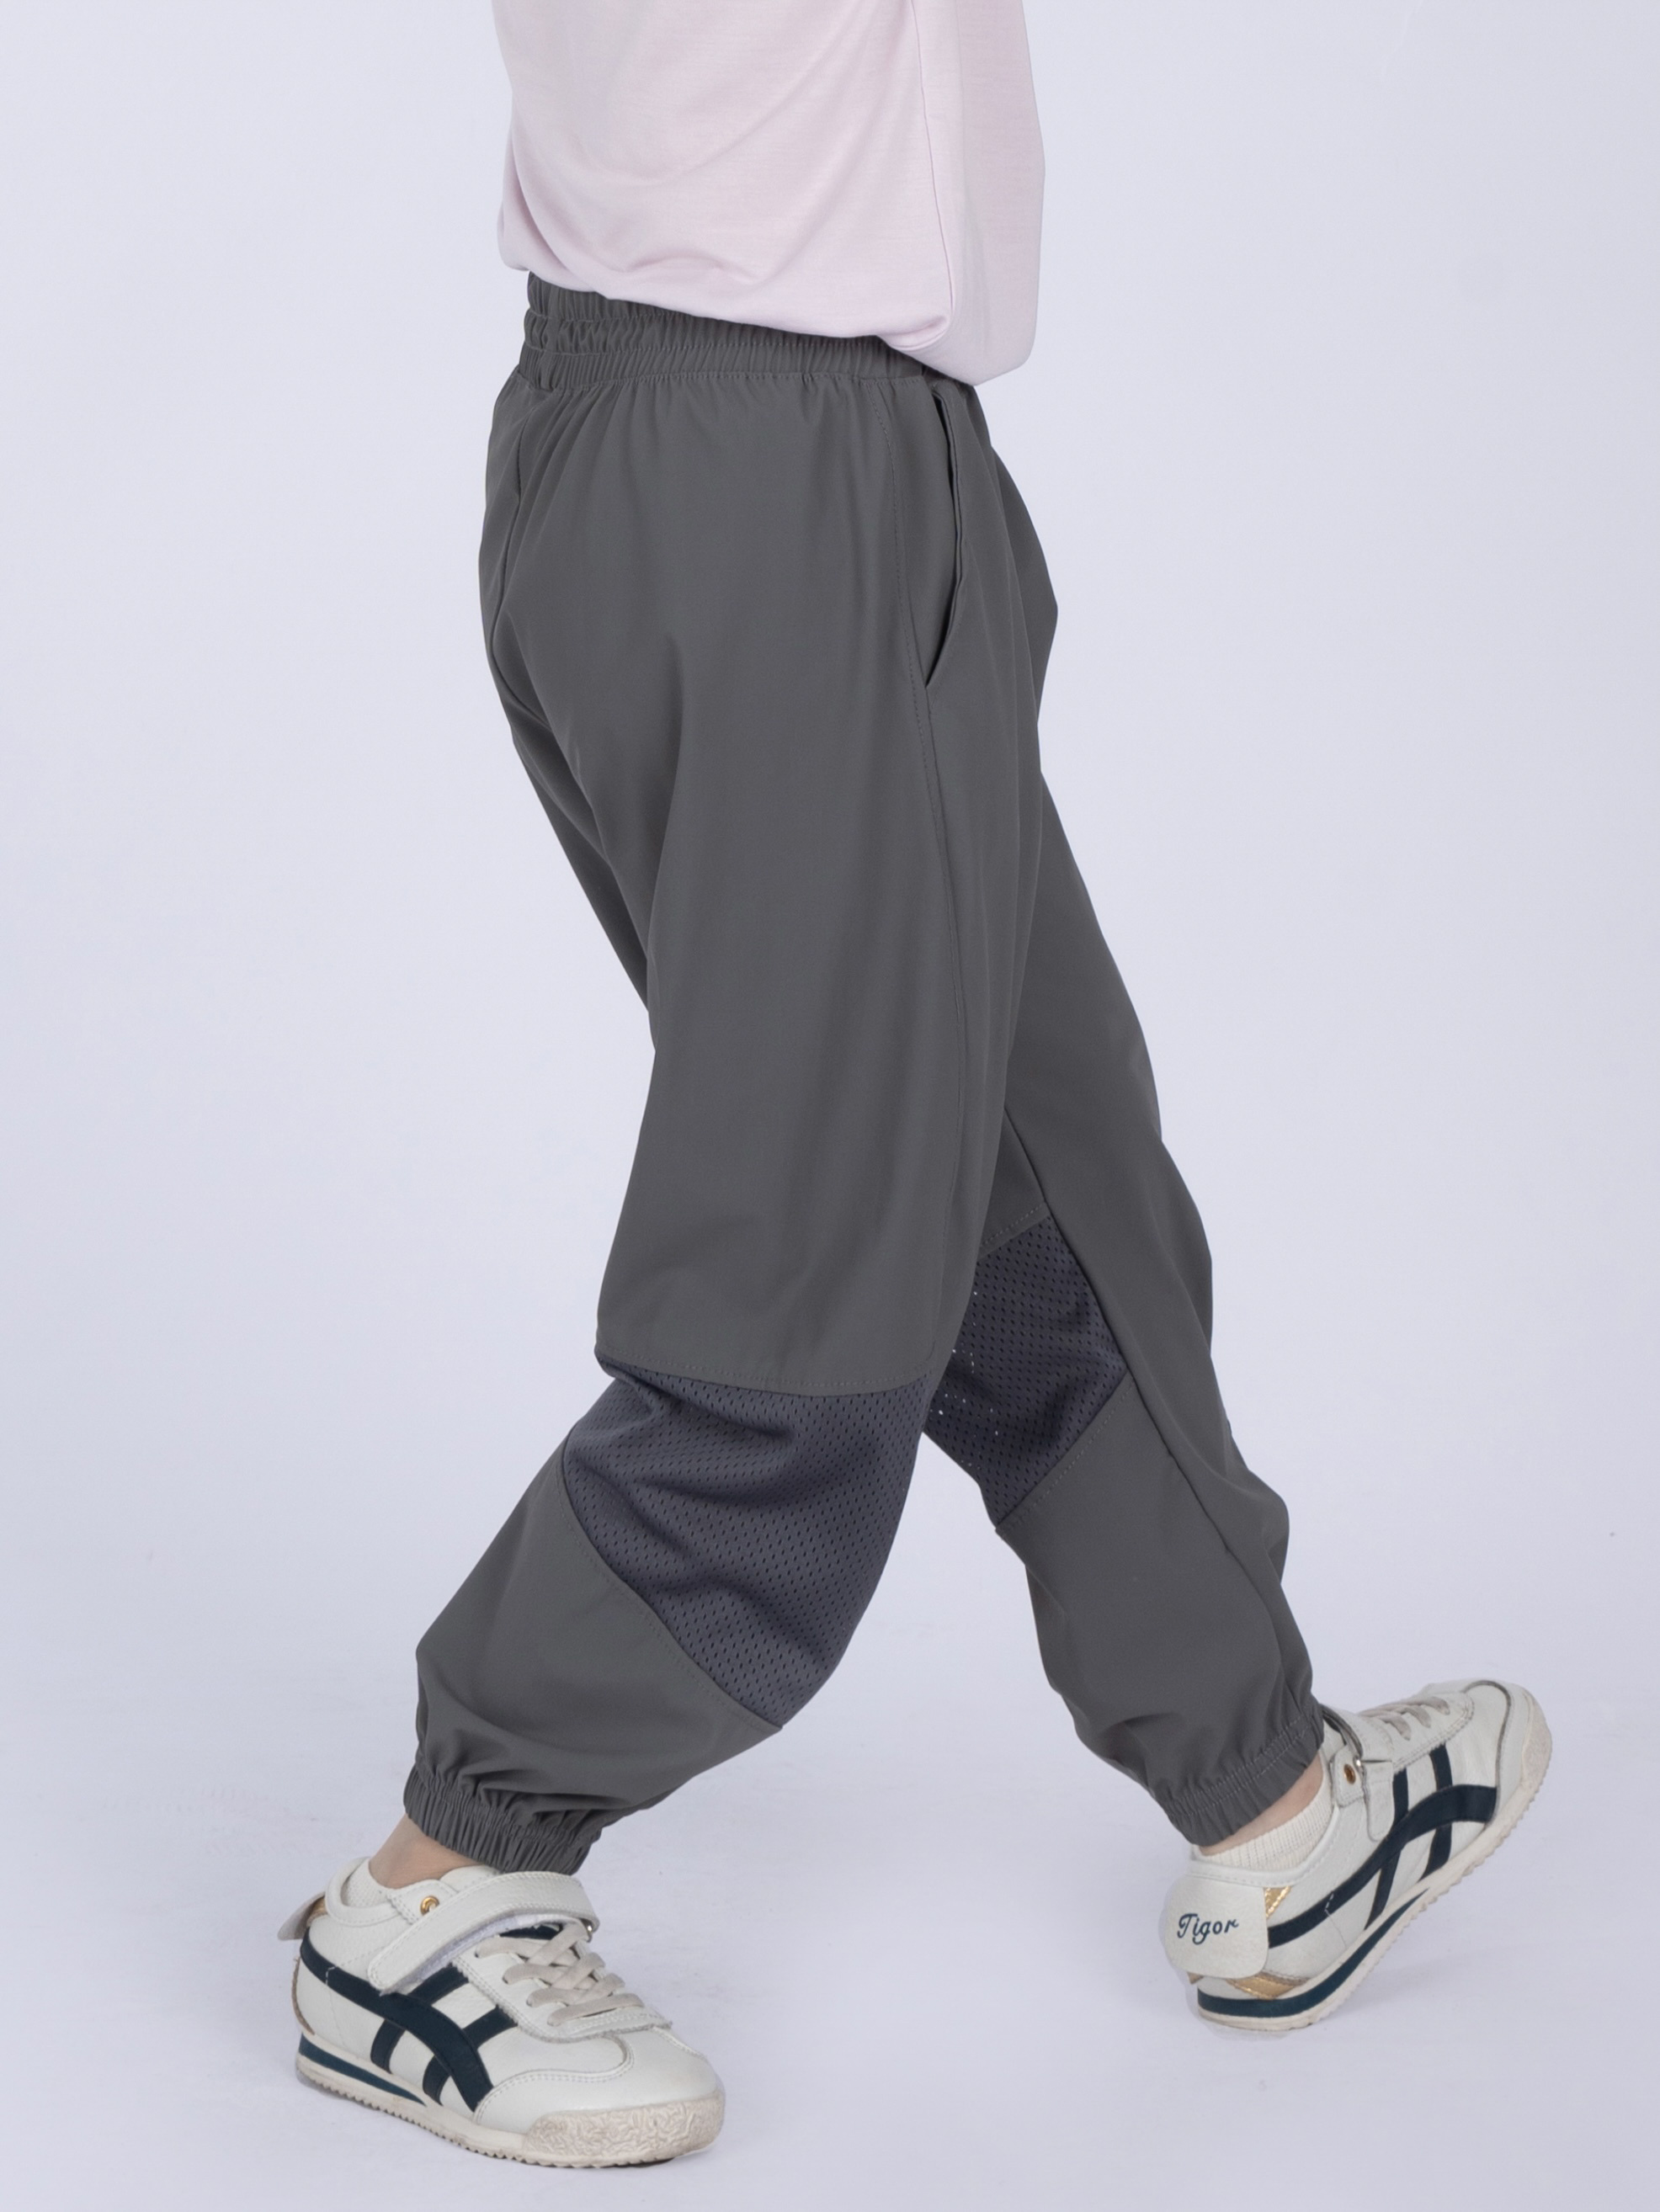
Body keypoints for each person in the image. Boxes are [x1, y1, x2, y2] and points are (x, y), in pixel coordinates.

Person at [279, 3, 1549, 2169]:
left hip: (803, 453)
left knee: (1041, 1184)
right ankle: (442, 1885)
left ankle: (1266, 1798)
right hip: (760, 463)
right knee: (820, 1263)